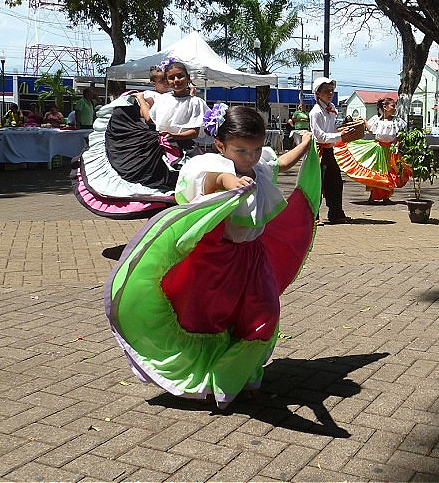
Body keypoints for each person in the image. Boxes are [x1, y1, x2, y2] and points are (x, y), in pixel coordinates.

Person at [105, 104, 319, 409]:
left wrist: (305, 143)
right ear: (221, 145)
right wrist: (232, 183)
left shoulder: (259, 167)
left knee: (264, 314)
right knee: (211, 320)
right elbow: (217, 180)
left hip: (254, 260)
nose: (250, 157)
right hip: (217, 262)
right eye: (241, 150)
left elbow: (281, 163)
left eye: (256, 149)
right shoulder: (212, 168)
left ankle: (242, 373)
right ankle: (215, 378)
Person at [334, 97, 412, 202]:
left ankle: (386, 196)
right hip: (378, 149)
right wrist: (364, 121)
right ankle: (373, 196)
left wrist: (397, 144)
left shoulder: (397, 121)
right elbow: (371, 130)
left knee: (389, 172)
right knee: (377, 171)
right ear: (385, 107)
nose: (395, 108)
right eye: (392, 106)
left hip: (391, 150)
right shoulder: (376, 119)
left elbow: (400, 134)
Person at [309, 76, 350, 224]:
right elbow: (319, 136)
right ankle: (313, 216)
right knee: (317, 184)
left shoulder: (331, 108)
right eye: (326, 91)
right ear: (318, 93)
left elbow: (331, 130)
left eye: (331, 90)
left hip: (328, 150)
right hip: (318, 152)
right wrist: (340, 136)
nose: (330, 93)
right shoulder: (315, 112)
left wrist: (344, 128)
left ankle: (336, 214)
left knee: (336, 182)